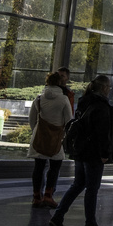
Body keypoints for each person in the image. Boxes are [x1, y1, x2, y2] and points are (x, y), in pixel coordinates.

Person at [49, 75, 113, 226]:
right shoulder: (101, 106)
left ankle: (58, 216)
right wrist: (105, 153)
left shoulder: (84, 102)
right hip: (93, 154)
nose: (109, 90)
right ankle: (90, 223)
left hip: (81, 150)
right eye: (109, 87)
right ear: (105, 88)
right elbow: (103, 132)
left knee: (78, 184)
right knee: (92, 188)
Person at [29, 70, 72, 207]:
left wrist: (37, 131)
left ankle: (36, 196)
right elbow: (68, 120)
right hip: (56, 139)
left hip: (39, 137)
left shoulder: (39, 98)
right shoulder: (64, 99)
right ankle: (48, 195)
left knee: (39, 167)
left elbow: (32, 119)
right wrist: (63, 136)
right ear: (60, 83)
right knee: (55, 167)